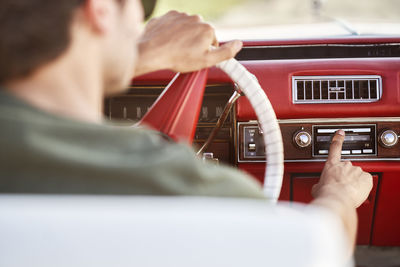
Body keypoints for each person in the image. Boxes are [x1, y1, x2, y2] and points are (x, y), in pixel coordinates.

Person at [0, 0, 372, 255]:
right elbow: (319, 246)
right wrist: (337, 194)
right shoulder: (181, 186)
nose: (141, 22)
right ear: (99, 10)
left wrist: (133, 55)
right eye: (141, 6)